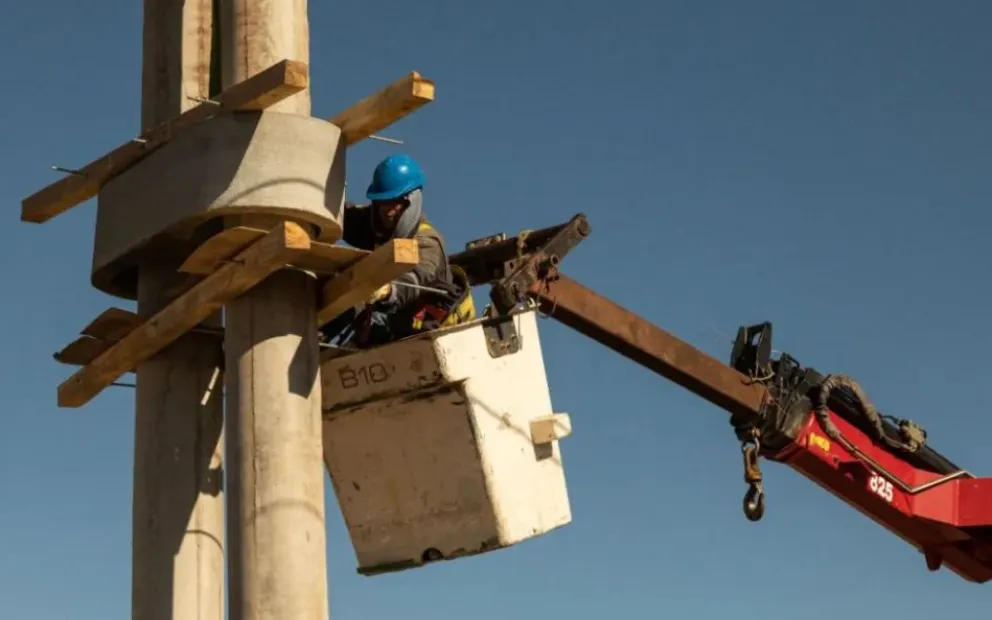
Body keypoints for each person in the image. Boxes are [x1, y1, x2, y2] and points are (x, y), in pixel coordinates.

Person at [320, 154, 476, 348]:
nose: (388, 211)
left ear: (412, 201)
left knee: (357, 302)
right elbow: (343, 216)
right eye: (382, 203)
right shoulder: (376, 224)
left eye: (395, 202)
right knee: (338, 296)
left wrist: (390, 291)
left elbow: (415, 278)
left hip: (429, 334)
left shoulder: (428, 242)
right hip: (394, 323)